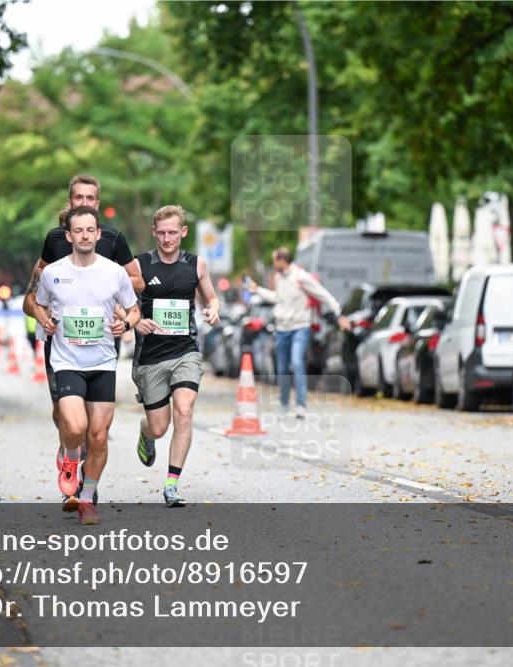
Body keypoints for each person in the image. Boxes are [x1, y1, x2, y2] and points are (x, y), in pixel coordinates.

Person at [22, 174, 144, 510]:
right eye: (79, 198)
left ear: (98, 213)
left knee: (99, 432)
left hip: (103, 352)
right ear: (70, 204)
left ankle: (86, 494)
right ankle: (70, 457)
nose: (85, 204)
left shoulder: (113, 251)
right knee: (71, 422)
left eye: (91, 199)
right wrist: (41, 316)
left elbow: (136, 289)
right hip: (63, 351)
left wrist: (126, 316)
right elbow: (32, 298)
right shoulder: (53, 253)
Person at [131, 205, 220, 508]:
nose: (168, 238)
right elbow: (115, 297)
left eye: (173, 232)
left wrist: (214, 308)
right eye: (162, 233)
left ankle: (171, 484)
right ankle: (146, 434)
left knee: (184, 410)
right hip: (151, 356)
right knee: (159, 426)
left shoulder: (196, 265)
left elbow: (212, 296)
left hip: (185, 352)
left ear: (183, 232)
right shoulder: (140, 265)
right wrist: (133, 320)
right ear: (154, 232)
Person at [246, 247, 351, 418]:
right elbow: (277, 298)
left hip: (300, 327)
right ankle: (285, 404)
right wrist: (257, 289)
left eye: (274, 261)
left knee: (297, 362)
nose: (273, 264)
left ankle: (301, 406)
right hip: (282, 329)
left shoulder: (301, 277)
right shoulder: (279, 277)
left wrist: (339, 313)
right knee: (281, 368)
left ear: (282, 261)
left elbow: (322, 293)